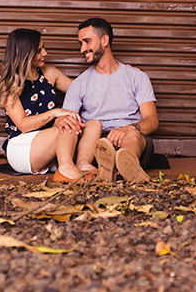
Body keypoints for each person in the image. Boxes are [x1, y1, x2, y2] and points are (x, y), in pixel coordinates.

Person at [53, 18, 158, 183]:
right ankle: (108, 166)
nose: (82, 49)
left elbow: (152, 121)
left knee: (133, 136)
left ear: (104, 40)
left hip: (133, 139)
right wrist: (60, 120)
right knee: (99, 139)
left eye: (87, 41)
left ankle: (125, 164)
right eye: (80, 43)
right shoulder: (79, 84)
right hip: (96, 146)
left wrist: (127, 129)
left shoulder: (137, 77)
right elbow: (66, 122)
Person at [0, 29, 81, 176]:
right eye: (39, 51)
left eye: (44, 48)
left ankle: (77, 166)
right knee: (66, 127)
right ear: (25, 54)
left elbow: (80, 92)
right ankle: (66, 168)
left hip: (48, 143)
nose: (45, 53)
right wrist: (55, 113)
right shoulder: (10, 85)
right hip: (22, 148)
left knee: (82, 124)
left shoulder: (50, 73)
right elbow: (23, 125)